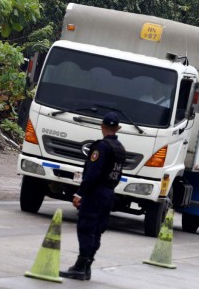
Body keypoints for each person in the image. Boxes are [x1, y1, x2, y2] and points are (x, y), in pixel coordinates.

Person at [60, 112, 126, 280]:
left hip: (95, 193)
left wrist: (80, 193)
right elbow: (117, 175)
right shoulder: (120, 149)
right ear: (118, 128)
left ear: (102, 127)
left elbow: (93, 173)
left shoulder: (101, 147)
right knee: (96, 231)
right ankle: (87, 266)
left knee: (86, 228)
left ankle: (80, 268)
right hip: (108, 193)